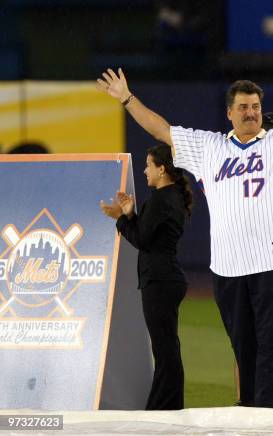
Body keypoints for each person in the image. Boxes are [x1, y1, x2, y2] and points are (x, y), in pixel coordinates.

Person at [96, 54, 273, 408]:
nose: (251, 112)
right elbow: (161, 129)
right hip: (227, 268)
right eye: (243, 107)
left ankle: (268, 418)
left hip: (272, 261)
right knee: (243, 348)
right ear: (229, 113)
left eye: (255, 106)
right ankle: (249, 412)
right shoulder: (210, 148)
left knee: (272, 348)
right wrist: (128, 99)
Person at [100, 144, 193, 410]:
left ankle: (163, 408)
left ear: (161, 169)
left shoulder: (161, 199)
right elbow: (149, 234)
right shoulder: (171, 196)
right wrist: (130, 214)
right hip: (166, 278)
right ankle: (169, 406)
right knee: (167, 348)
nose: (144, 171)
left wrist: (121, 218)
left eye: (148, 165)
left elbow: (141, 239)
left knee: (165, 350)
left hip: (160, 280)